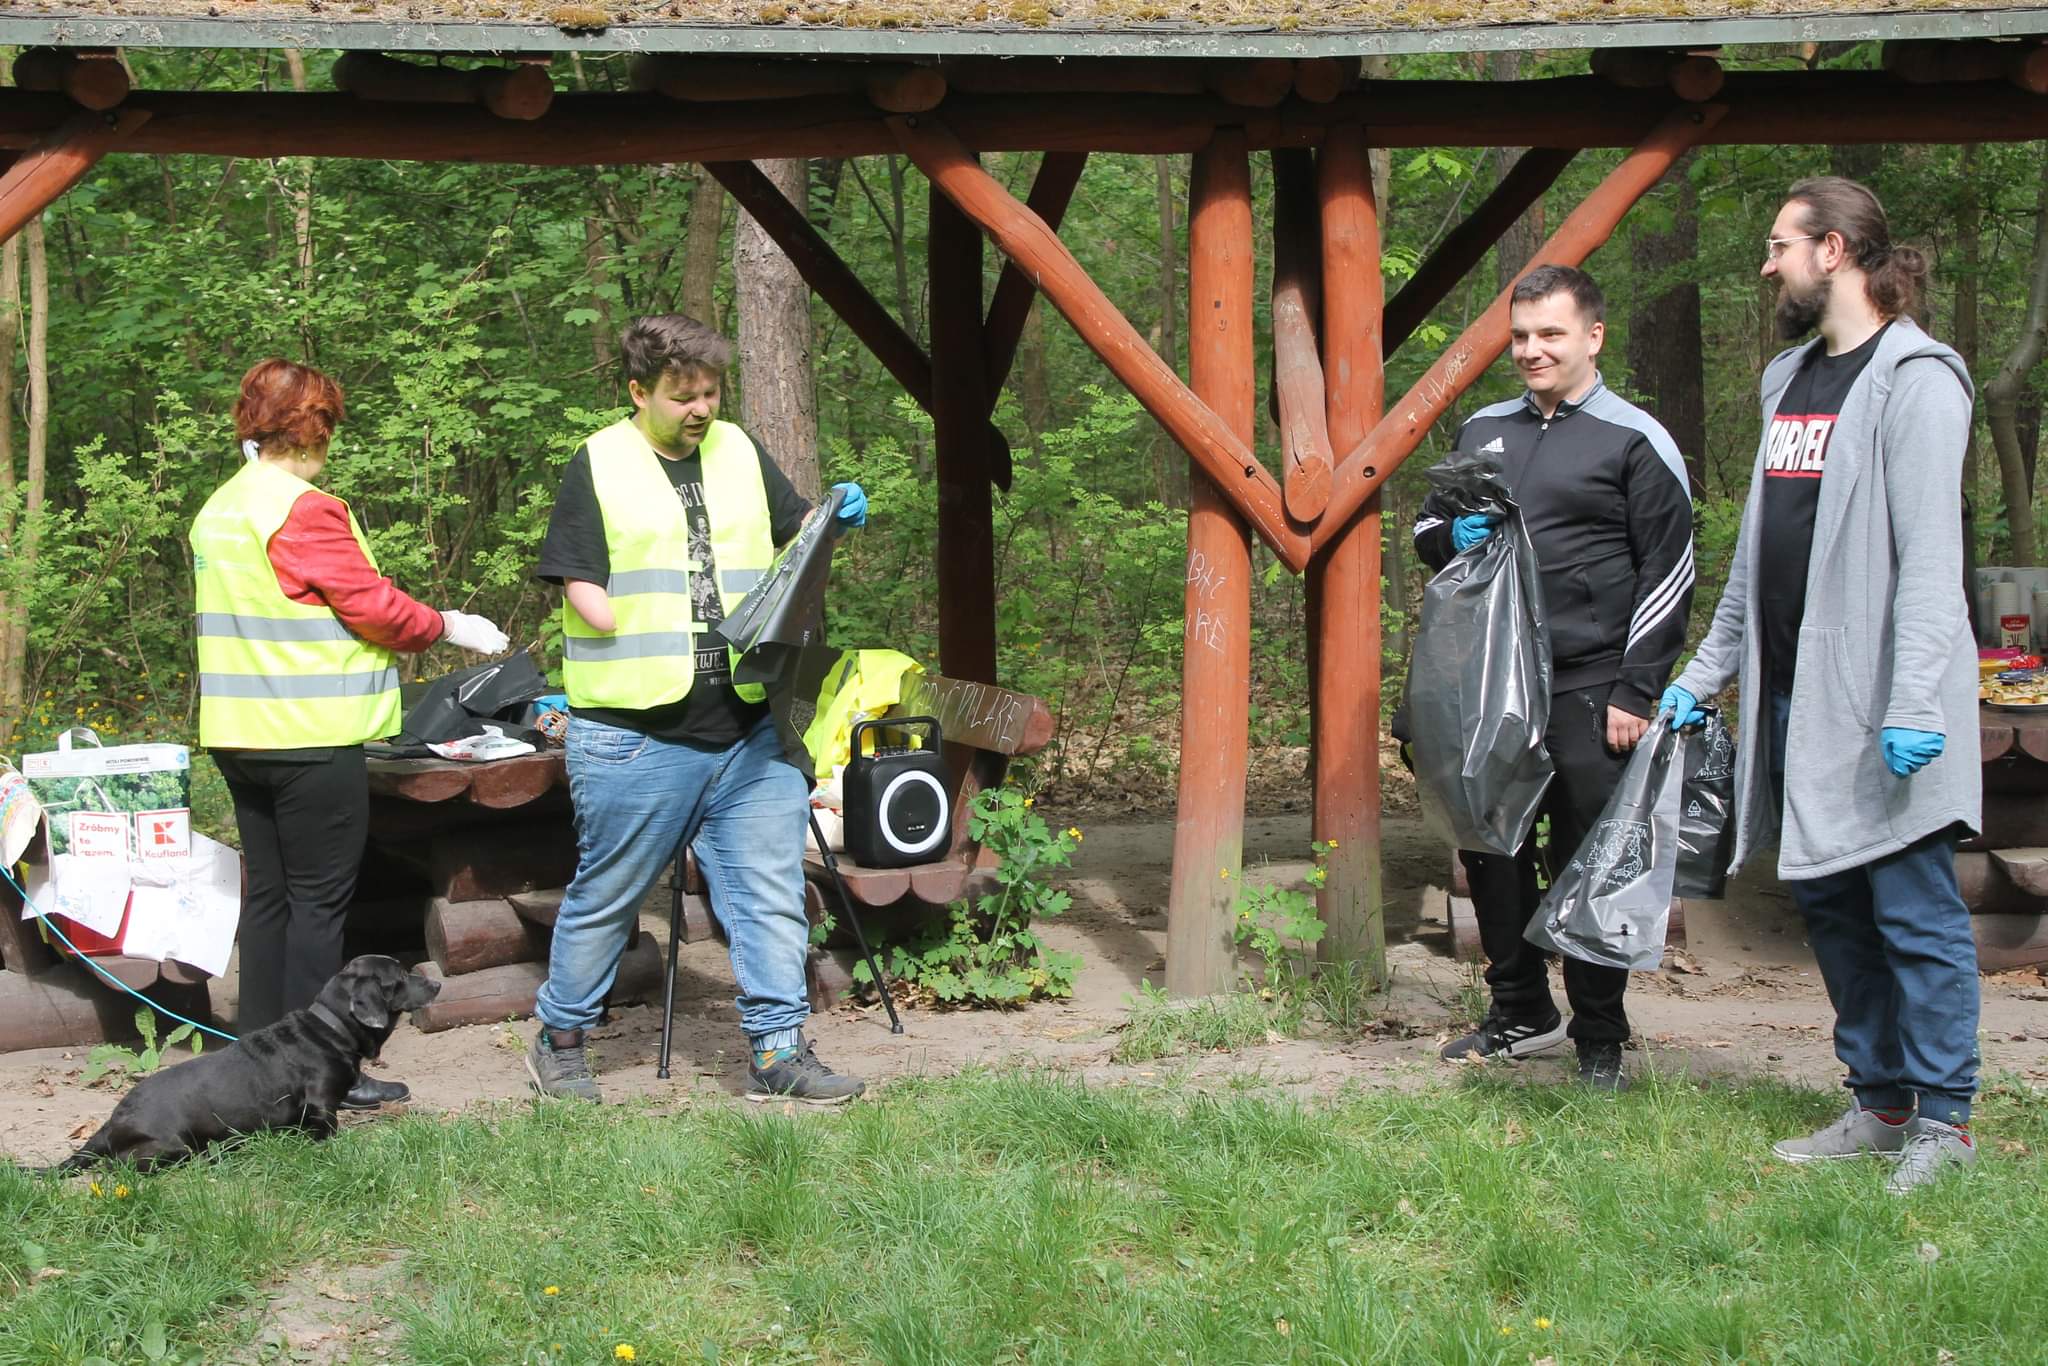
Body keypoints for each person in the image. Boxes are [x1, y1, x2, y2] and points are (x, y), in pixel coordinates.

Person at [1663, 177, 1980, 1193]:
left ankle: (1943, 1122)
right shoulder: (1784, 381)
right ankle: (1878, 1103)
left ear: (1833, 250)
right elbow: (1758, 553)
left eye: (1778, 245)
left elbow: (1931, 558)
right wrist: (1706, 674)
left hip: (1880, 702)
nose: (1767, 265)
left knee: (1912, 913)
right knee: (1834, 908)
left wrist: (1915, 703)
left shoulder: (1916, 379)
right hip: (1793, 702)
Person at [527, 314, 870, 1105]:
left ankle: (778, 1054)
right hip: (637, 735)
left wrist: (831, 517)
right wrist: (601, 608)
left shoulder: (741, 450)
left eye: (711, 392)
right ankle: (561, 1037)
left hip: (749, 724)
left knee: (769, 891)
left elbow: (796, 541)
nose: (701, 408)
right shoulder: (600, 462)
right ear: (638, 391)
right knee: (607, 896)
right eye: (683, 395)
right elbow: (574, 570)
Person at [191, 358, 509, 1108]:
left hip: (239, 732)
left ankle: (255, 1063)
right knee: (317, 906)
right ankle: (310, 1075)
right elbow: (374, 609)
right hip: (311, 734)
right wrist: (451, 625)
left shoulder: (221, 507)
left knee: (268, 901)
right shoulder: (303, 508)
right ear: (317, 426)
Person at [1414, 265, 1695, 1091]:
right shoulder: (1483, 430)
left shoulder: (1635, 440)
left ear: (1593, 337)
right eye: (1521, 337)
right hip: (1491, 681)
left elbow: (1669, 571)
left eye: (1551, 335)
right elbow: (1431, 529)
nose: (1532, 351)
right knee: (1491, 847)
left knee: (1590, 862)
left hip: (1593, 683)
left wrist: (1636, 690)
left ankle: (1599, 1033)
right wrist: (1449, 534)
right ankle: (1520, 1012)